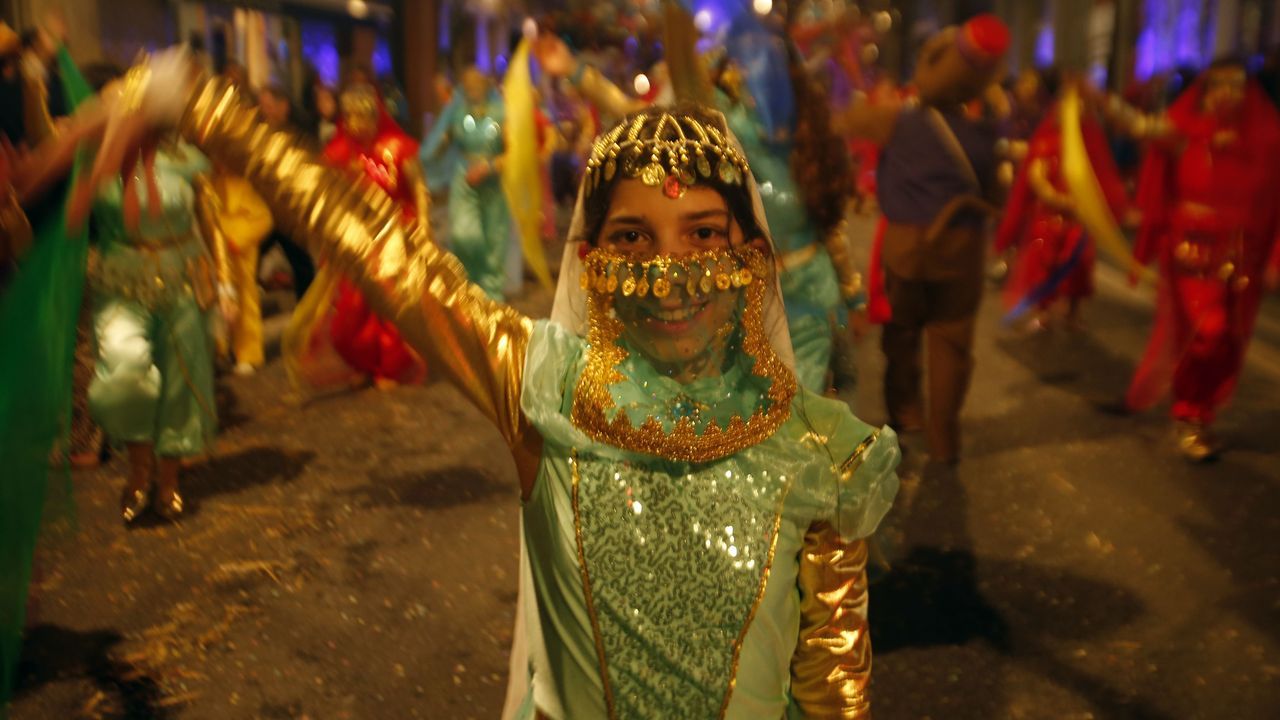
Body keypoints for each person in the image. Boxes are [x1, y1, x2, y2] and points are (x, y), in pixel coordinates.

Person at [73, 50, 901, 718]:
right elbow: (374, 248)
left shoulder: (819, 449)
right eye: (633, 237)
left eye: (704, 233)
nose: (672, 271)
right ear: (588, 260)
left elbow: (834, 690)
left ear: (747, 254)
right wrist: (203, 108)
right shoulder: (544, 386)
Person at [833, 14, 1011, 464]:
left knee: (902, 335)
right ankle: (944, 440)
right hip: (962, 254)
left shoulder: (896, 121)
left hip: (907, 251)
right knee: (952, 346)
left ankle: (905, 412)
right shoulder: (986, 137)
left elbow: (842, 118)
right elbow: (996, 196)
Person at [1118, 58, 1280, 461]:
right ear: (1206, 91)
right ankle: (1187, 411)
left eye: (1237, 84)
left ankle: (1200, 414)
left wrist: (1276, 259)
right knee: (1207, 333)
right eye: (1219, 85)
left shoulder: (1267, 138)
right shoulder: (1184, 132)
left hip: (1243, 259)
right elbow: (1139, 127)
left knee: (1229, 341)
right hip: (1192, 255)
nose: (1229, 92)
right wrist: (1097, 102)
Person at [285, 81, 426, 393]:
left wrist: (422, 228)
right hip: (355, 241)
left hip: (393, 239)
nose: (354, 125)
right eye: (348, 117)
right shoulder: (337, 154)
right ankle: (363, 363)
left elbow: (418, 190)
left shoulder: (399, 148)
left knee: (388, 310)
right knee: (352, 312)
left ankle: (389, 365)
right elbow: (325, 197)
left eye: (361, 117)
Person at [995, 80, 1131, 331]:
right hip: (1050, 217)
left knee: (1079, 265)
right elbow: (1037, 176)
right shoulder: (1048, 141)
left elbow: (1099, 179)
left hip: (1079, 219)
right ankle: (1043, 311)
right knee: (1045, 264)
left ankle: (1073, 312)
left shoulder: (1089, 146)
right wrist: (1057, 199)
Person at [421, 66, 512, 299]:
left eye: (477, 83)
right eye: (467, 84)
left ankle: (491, 294)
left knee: (494, 239)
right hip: (464, 178)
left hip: (493, 183)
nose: (472, 89)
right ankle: (471, 286)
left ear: (486, 84)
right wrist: (423, 158)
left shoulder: (501, 112)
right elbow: (440, 140)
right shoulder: (457, 111)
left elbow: (514, 153)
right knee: (464, 235)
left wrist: (490, 167)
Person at [255, 83, 316, 299]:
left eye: (269, 106)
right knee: (252, 256)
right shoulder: (260, 134)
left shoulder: (301, 135)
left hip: (291, 213)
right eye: (262, 106)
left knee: (303, 267)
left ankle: (307, 316)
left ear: (284, 107)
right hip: (266, 210)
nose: (265, 112)